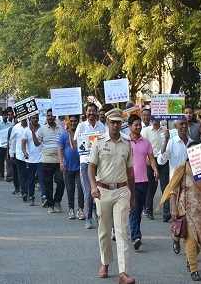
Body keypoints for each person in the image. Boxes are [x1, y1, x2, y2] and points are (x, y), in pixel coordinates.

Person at [88, 108, 135, 284]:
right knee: (104, 231)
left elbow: (131, 172)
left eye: (118, 122)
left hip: (122, 191)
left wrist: (133, 194)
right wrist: (93, 187)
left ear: (121, 124)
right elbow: (90, 167)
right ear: (107, 123)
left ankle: (123, 273)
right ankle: (105, 263)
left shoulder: (127, 143)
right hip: (103, 191)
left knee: (122, 231)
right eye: (113, 122)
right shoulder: (98, 142)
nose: (116, 125)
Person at [160, 153, 201, 282]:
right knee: (191, 240)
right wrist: (173, 207)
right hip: (186, 211)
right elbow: (173, 189)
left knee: (197, 244)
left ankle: (189, 260)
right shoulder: (182, 169)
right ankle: (194, 270)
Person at [157, 118, 190, 254]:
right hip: (175, 186)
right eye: (180, 124)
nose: (183, 126)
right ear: (175, 126)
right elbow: (161, 160)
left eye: (185, 124)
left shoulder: (193, 143)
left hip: (190, 186)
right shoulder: (172, 142)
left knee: (190, 216)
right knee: (176, 216)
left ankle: (191, 246)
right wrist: (165, 140)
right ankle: (176, 238)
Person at [128, 114, 158, 251]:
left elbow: (151, 158)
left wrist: (155, 169)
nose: (139, 126)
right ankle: (135, 236)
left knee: (139, 210)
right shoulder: (125, 142)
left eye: (140, 124)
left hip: (143, 181)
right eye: (136, 124)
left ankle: (135, 233)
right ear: (130, 126)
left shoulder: (146, 142)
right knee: (133, 209)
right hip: (129, 181)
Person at [74, 103, 106, 228]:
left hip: (99, 163)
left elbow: (104, 141)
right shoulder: (81, 126)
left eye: (93, 111)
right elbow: (77, 142)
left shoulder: (101, 126)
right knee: (88, 191)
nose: (91, 113)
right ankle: (88, 218)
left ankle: (97, 213)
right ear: (86, 113)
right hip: (86, 162)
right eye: (89, 111)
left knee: (100, 191)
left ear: (97, 113)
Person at [33, 109, 65, 213]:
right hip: (46, 160)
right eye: (48, 116)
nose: (50, 117)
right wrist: (32, 132)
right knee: (48, 184)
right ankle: (50, 205)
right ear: (46, 117)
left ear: (55, 117)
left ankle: (57, 202)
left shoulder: (61, 128)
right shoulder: (42, 129)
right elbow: (37, 144)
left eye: (51, 116)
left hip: (59, 160)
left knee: (60, 182)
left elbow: (64, 143)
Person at [142, 118, 170, 221]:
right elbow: (143, 145)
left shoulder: (165, 130)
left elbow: (168, 146)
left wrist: (167, 138)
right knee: (151, 187)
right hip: (151, 160)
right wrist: (146, 158)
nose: (155, 121)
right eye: (153, 118)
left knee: (165, 186)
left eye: (157, 118)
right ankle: (148, 210)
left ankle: (166, 213)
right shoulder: (145, 131)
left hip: (163, 161)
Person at [58, 115, 83, 219]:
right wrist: (61, 162)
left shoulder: (81, 134)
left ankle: (80, 209)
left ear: (78, 122)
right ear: (68, 122)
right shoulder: (64, 135)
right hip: (68, 167)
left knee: (81, 188)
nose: (73, 123)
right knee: (70, 189)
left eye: (75, 121)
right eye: (71, 121)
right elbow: (60, 149)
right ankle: (71, 209)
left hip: (80, 166)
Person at [22, 114, 44, 206]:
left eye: (36, 118)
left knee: (42, 178)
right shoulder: (26, 130)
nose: (35, 119)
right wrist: (24, 152)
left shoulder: (42, 129)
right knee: (30, 179)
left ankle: (44, 196)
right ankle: (31, 196)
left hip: (41, 159)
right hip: (30, 160)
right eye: (33, 118)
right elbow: (23, 143)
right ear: (30, 119)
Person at [9, 118, 28, 199]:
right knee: (21, 174)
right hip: (19, 155)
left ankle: (28, 190)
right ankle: (24, 192)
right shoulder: (16, 128)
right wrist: (11, 154)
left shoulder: (31, 126)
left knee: (29, 174)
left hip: (31, 156)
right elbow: (12, 141)